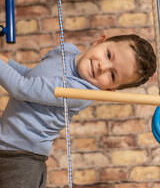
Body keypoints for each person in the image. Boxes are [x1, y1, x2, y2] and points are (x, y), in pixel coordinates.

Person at [0, 34, 156, 188]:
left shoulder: (80, 92)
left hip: (22, 159)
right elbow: (32, 78)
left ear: (109, 89)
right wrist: (6, 61)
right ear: (99, 41)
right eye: (108, 55)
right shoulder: (66, 50)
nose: (103, 67)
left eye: (112, 75)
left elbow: (23, 88)